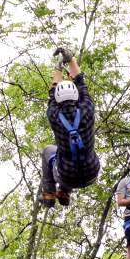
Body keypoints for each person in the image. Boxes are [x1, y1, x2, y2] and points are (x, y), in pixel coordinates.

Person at [39, 47, 100, 207]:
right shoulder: (87, 109)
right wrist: (71, 59)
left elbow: (52, 94)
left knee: (48, 151)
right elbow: (81, 83)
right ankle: (64, 192)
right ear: (76, 95)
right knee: (78, 156)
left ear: (58, 99)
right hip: (92, 172)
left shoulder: (54, 115)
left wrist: (58, 68)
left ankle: (49, 193)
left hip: (66, 176)